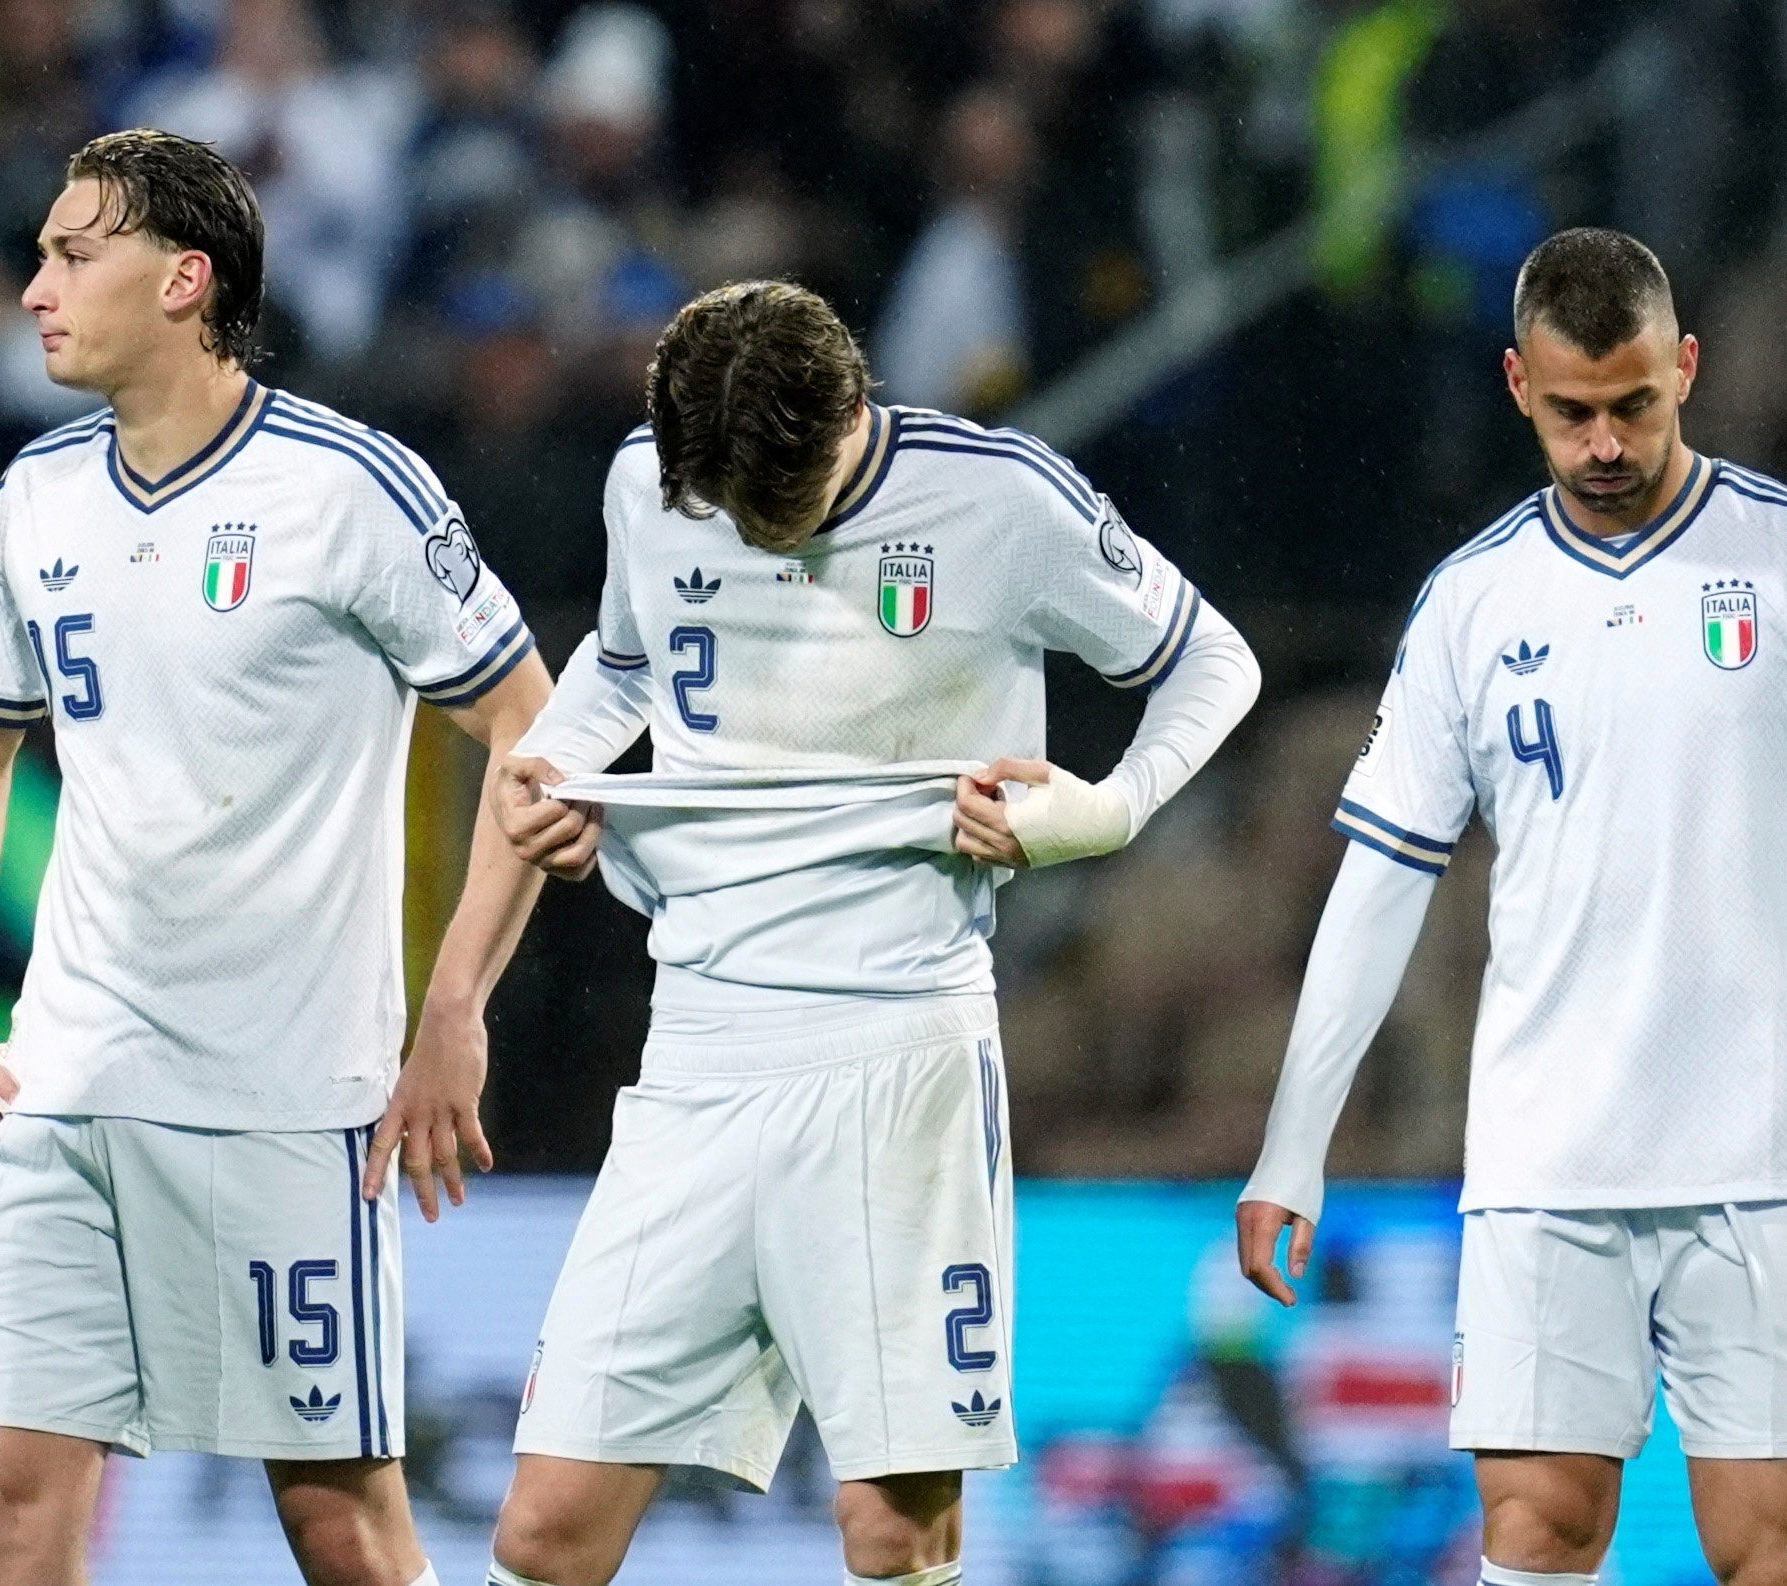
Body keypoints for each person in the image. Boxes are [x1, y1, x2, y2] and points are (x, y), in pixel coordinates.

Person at [1237, 227, 1787, 1586]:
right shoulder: (1471, 606)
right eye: (1571, 412)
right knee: (1538, 1532)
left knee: (1767, 1549)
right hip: (1550, 1162)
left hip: (1771, 1157)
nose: (1605, 442)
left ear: (1688, 369)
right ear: (1514, 385)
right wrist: (1291, 1145)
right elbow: (1378, 884)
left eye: (1634, 404)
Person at [484, 279, 1262, 1586]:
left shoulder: (1001, 502)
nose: (747, 526)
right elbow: (627, 657)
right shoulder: (652, 481)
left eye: (771, 499)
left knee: (895, 1532)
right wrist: (555, 762)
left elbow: (1213, 661)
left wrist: (1106, 810)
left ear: (854, 407)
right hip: (696, 1058)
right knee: (545, 1528)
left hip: (898, 1059)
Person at [0, 129, 552, 1586]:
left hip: (282, 1102)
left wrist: (453, 1012)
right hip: (62, 1086)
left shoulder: (351, 491)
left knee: (341, 1522)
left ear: (185, 279)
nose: (33, 290)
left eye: (73, 254)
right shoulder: (39, 497)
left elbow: (534, 731)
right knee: (4, 1510)